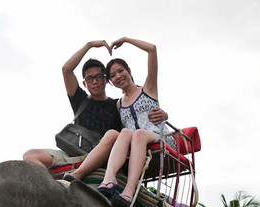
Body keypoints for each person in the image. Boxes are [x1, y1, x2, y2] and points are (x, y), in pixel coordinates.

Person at [23, 40, 167, 169]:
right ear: (84, 84)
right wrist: (89, 45)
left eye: (99, 77)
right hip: (73, 152)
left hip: (101, 156)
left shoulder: (117, 105)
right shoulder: (80, 100)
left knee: (112, 135)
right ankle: (53, 189)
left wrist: (164, 115)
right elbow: (66, 70)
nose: (95, 81)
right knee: (30, 155)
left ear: (106, 81)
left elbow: (134, 120)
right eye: (90, 78)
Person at [95, 37, 176, 207]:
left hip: (160, 137)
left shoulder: (148, 88)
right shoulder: (119, 104)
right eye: (113, 76)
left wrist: (126, 40)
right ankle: (109, 178)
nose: (118, 76)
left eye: (121, 70)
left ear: (129, 71)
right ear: (111, 82)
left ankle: (129, 191)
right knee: (125, 132)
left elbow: (152, 49)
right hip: (137, 144)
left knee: (138, 134)